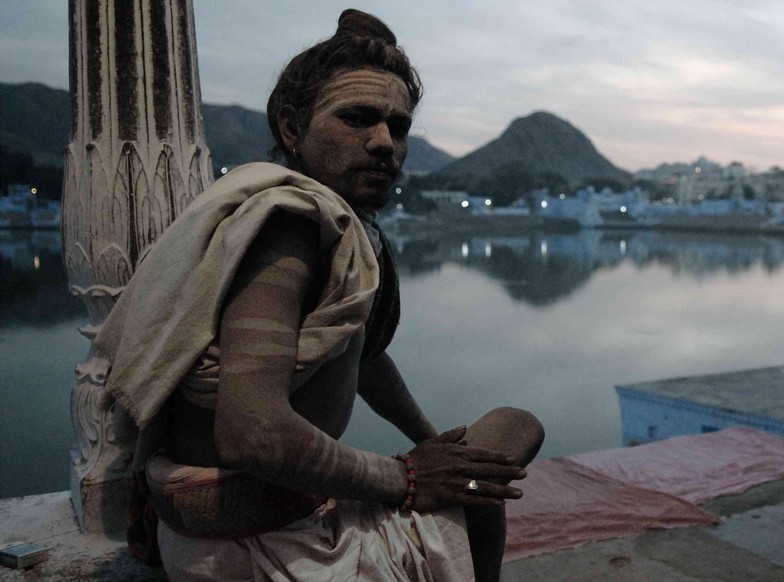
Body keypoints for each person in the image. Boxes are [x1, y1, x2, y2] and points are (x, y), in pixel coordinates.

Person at [95, 9, 543, 581]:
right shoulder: (294, 226)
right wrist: (406, 477)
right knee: (514, 426)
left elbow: (361, 352)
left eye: (398, 127)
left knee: (482, 464)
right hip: (268, 547)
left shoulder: (330, 226)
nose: (384, 143)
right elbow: (250, 434)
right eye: (357, 119)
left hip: (251, 527)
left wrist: (438, 452)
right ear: (291, 129)